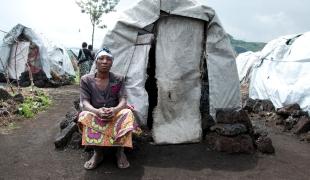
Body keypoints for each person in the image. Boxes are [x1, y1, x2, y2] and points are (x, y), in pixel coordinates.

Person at [78, 48, 139, 170]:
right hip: (95, 113)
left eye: (108, 59)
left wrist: (115, 110)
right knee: (84, 115)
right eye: (101, 58)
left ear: (112, 62)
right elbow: (84, 102)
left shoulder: (119, 78)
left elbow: (123, 99)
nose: (105, 61)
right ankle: (98, 153)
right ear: (95, 62)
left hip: (114, 113)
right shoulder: (86, 79)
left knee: (127, 113)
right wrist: (97, 111)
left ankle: (120, 152)